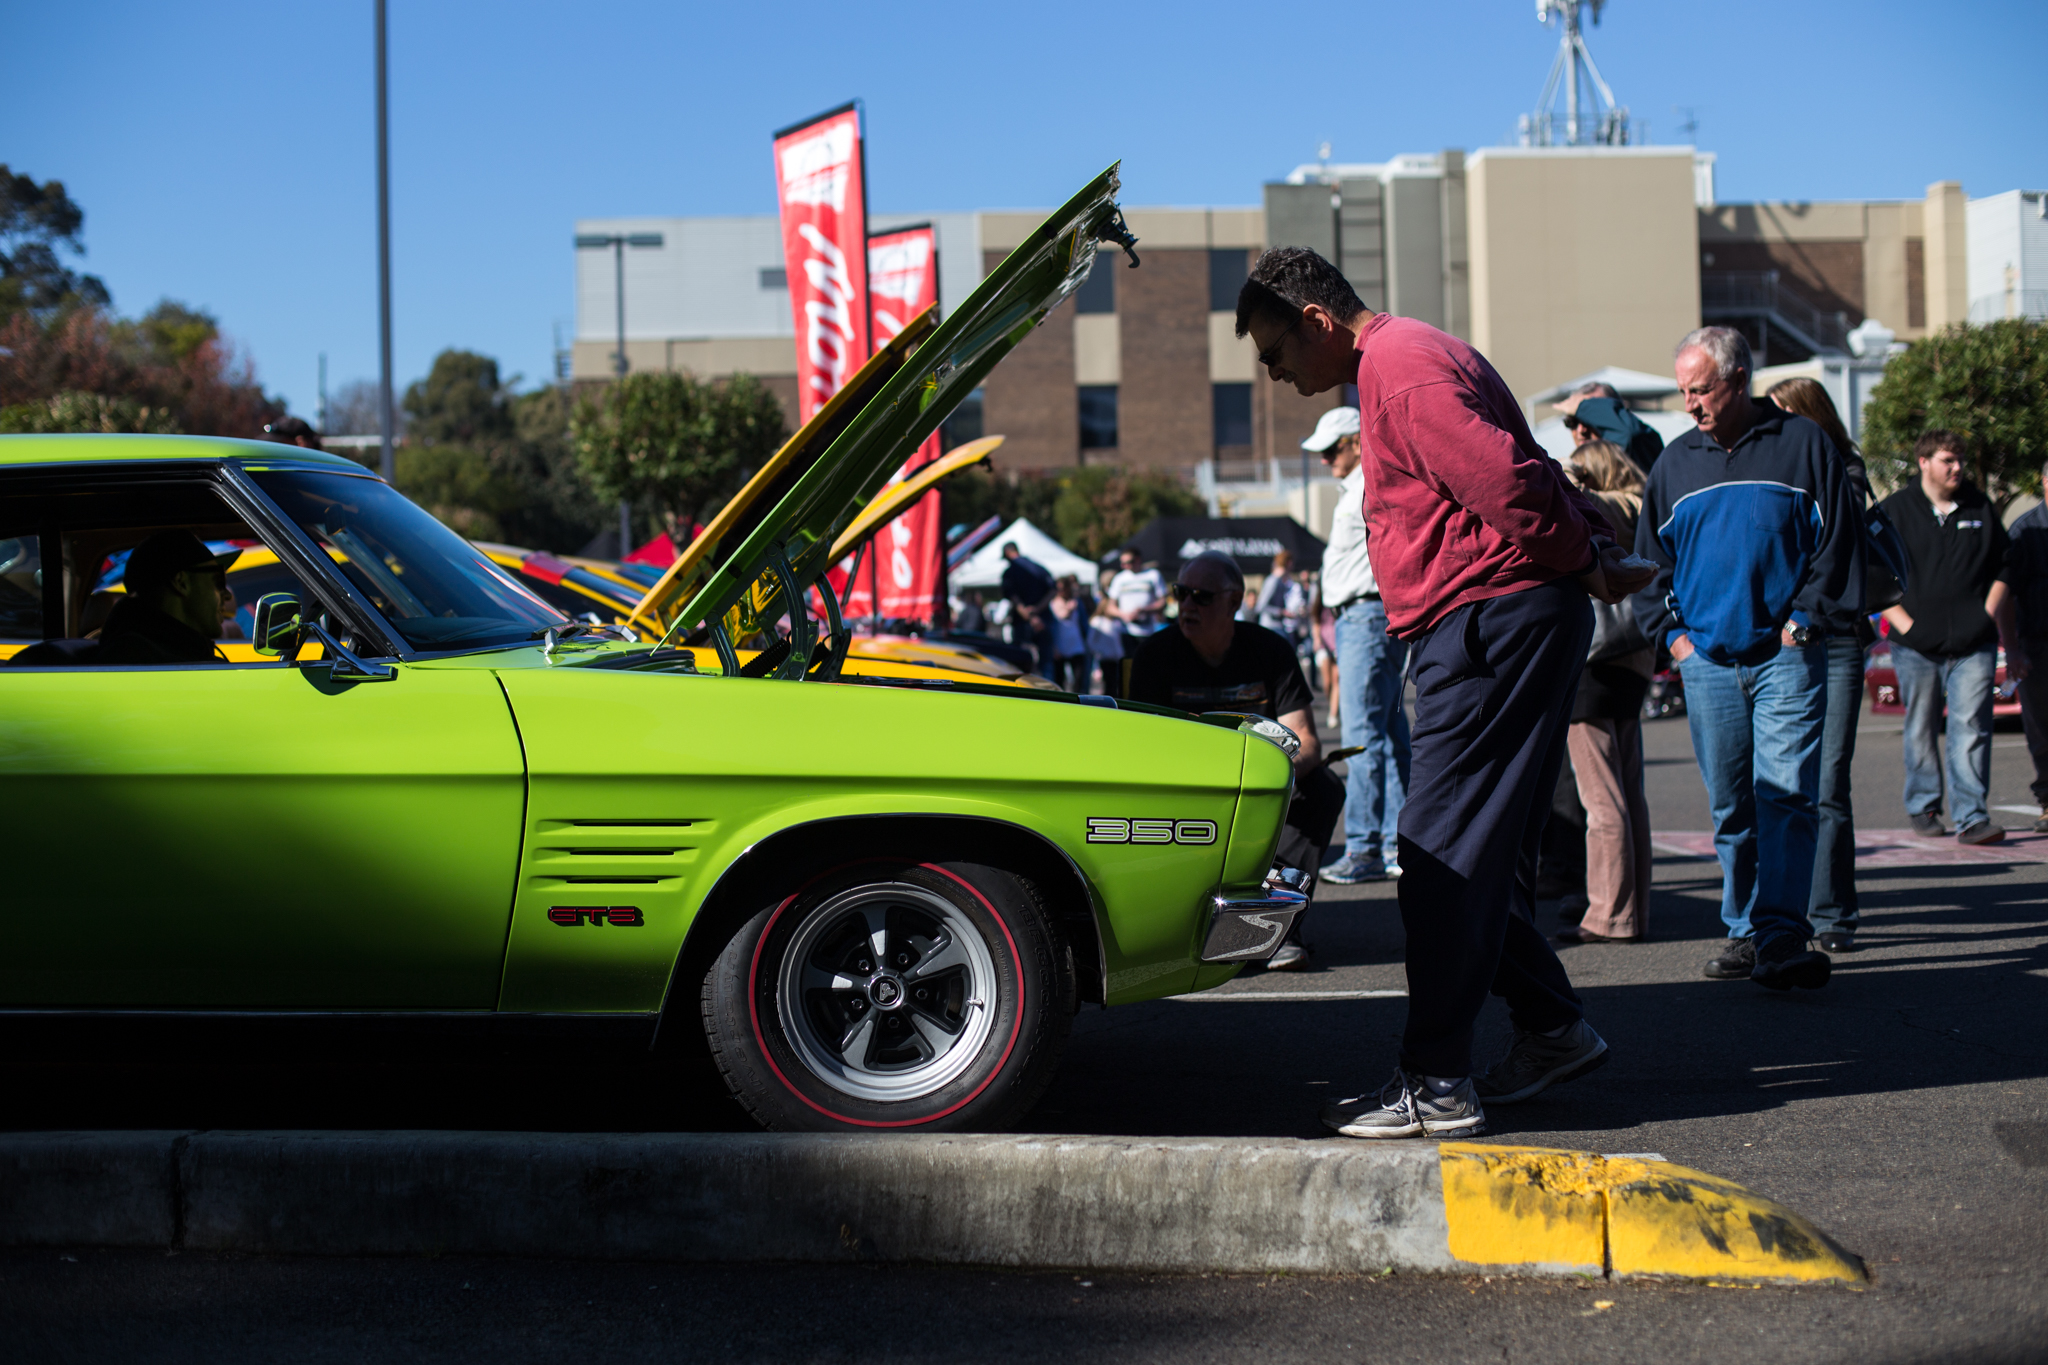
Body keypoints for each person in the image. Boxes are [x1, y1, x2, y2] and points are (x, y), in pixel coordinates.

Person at [1237, 246, 1647, 1139]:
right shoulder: (1409, 358)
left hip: (1488, 621)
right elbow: (1528, 468)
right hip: (1501, 618)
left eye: (1275, 352)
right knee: (1477, 856)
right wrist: (1590, 548)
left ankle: (1436, 1082)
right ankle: (1550, 1028)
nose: (1274, 374)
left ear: (1315, 320)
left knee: (1439, 858)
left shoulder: (1399, 368)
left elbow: (1508, 479)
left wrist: (1586, 554)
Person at [1635, 326, 1863, 990]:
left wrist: (1804, 621)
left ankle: (1782, 934)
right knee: (1731, 805)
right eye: (1683, 391)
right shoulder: (1674, 462)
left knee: (1786, 797)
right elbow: (1648, 564)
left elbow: (1836, 544)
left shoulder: (1804, 444)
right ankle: (1743, 930)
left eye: (1700, 390)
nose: (1689, 404)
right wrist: (1676, 641)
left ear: (1738, 380)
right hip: (1706, 661)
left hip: (1787, 657)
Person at [1128, 549, 1341, 971]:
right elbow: (1141, 749)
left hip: (1257, 784)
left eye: (1202, 596)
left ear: (1234, 602)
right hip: (1184, 786)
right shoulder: (1155, 654)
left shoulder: (1270, 650)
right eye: (1181, 593)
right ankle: (1166, 932)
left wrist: (1262, 781)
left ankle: (1278, 928)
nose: (1187, 605)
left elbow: (1307, 743)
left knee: (1324, 789)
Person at [1767, 376, 1874, 952]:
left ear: (1807, 415)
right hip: (1780, 639)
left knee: (1828, 782)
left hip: (1834, 641)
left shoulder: (1845, 472)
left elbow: (1837, 549)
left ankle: (1832, 911)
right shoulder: (1772, 471)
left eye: (1782, 413)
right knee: (1779, 783)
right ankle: (1777, 912)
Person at [1878, 429, 2009, 847]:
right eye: (1947, 460)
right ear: (1924, 462)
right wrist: (1907, 626)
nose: (1957, 468)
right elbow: (1872, 574)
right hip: (1915, 647)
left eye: (1959, 460)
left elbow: (2005, 565)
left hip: (1974, 644)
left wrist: (1985, 614)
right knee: (1921, 727)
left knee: (1971, 727)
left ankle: (1972, 817)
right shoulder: (1895, 510)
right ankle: (1924, 806)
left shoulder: (1978, 506)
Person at [1306, 405, 1412, 887]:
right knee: (1383, 732)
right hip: (1366, 615)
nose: (1325, 459)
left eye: (1331, 450)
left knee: (1363, 735)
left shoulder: (1368, 484)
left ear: (1354, 442)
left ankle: (1367, 846)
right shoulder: (1363, 485)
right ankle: (1391, 844)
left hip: (1365, 614)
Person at [1555, 441, 1655, 945]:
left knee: (1601, 798)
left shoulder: (1603, 506)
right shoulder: (1645, 504)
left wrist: (1562, 474)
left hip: (1594, 657)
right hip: (1635, 655)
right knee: (1628, 791)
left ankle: (1609, 914)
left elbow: (1564, 499)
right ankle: (1634, 908)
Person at [1996, 461, 2048, 833]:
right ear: (2045, 482)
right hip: (2039, 645)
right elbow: (2005, 594)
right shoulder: (2025, 530)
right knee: (2042, 728)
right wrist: (2012, 648)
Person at [98, 530, 241, 664]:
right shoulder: (134, 659)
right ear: (181, 582)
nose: (228, 595)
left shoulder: (178, 653)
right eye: (218, 581)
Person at [1553, 381, 1664, 470]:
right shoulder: (1568, 472)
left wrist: (1581, 407)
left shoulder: (1641, 447)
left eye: (1593, 418)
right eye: (1572, 422)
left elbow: (1628, 433)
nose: (1581, 430)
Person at [998, 542, 1054, 673]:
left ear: (1007, 553)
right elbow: (1053, 590)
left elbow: (1013, 598)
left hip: (1023, 623)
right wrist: (1038, 610)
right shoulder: (1038, 568)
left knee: (1022, 663)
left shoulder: (1010, 572)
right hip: (1042, 620)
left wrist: (1029, 616)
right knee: (1046, 663)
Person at [1106, 548, 1167, 647]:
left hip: (1149, 631)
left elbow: (1163, 602)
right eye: (1122, 563)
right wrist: (1124, 615)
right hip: (1126, 632)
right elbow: (1110, 607)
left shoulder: (1153, 575)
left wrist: (1144, 610)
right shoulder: (1119, 578)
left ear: (1138, 559)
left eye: (1128, 562)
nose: (1124, 566)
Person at [1045, 575, 1090, 693]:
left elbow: (1084, 623)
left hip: (1077, 645)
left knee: (1079, 679)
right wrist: (1069, 608)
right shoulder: (1053, 603)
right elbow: (1062, 615)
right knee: (1059, 679)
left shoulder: (1077, 602)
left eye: (1063, 588)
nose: (1061, 591)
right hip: (1059, 645)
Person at [1252, 549, 1307, 640]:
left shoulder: (1281, 581)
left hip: (1277, 627)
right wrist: (1281, 612)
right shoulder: (1273, 581)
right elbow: (1260, 606)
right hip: (1270, 627)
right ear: (1289, 563)